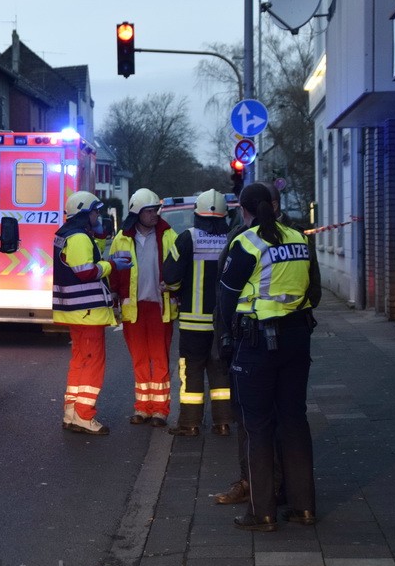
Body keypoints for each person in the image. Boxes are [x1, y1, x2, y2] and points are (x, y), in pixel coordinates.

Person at [218, 182, 320, 532]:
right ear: (273, 206)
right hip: (297, 339)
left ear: (243, 209)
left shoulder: (246, 243)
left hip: (258, 342)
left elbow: (226, 299)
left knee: (258, 426)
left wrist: (227, 340)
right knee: (294, 420)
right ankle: (304, 508)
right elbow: (315, 292)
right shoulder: (300, 239)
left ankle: (261, 513)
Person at [53, 191, 132, 435]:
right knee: (93, 363)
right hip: (87, 311)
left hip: (76, 311)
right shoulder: (77, 237)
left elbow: (86, 257)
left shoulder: (69, 235)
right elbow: (86, 271)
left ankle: (71, 412)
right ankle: (84, 416)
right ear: (85, 213)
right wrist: (112, 265)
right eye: (95, 211)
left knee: (80, 361)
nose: (98, 215)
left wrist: (98, 237)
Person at [162, 189, 232, 437]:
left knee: (191, 371)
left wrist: (176, 288)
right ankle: (223, 423)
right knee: (221, 370)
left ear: (197, 214)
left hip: (193, 323)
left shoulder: (187, 238)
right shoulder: (233, 239)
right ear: (225, 215)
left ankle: (190, 423)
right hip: (224, 322)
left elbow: (170, 277)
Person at [109, 188, 178, 427]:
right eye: (149, 211)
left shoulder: (169, 235)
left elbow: (178, 268)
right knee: (139, 359)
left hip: (160, 307)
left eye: (155, 210)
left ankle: (160, 410)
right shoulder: (122, 238)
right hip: (133, 309)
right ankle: (142, 407)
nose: (154, 215)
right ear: (137, 213)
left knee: (159, 359)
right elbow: (115, 274)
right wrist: (115, 299)